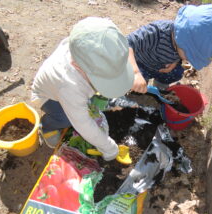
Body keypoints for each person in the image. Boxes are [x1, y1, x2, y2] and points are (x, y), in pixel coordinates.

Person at [31, 17, 134, 161]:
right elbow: (83, 124)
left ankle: (92, 99)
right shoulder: (69, 86)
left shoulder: (84, 47)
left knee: (87, 101)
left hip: (74, 89)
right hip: (48, 97)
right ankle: (47, 126)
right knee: (67, 119)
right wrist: (108, 147)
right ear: (76, 65)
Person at [129, 4, 212, 93]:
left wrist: (175, 61)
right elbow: (125, 43)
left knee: (176, 72)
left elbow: (181, 52)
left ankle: (159, 89)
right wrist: (135, 74)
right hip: (141, 65)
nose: (188, 59)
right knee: (137, 84)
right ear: (183, 40)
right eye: (190, 55)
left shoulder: (180, 43)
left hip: (162, 67)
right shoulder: (156, 33)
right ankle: (137, 86)